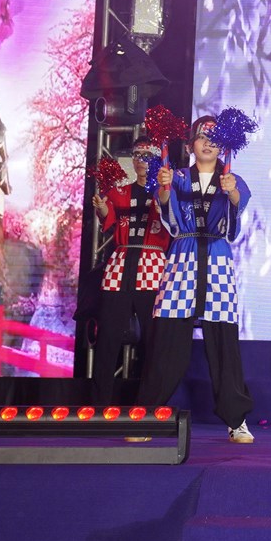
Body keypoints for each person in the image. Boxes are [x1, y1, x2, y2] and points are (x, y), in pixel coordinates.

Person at [137, 115, 257, 444]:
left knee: (224, 341)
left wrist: (232, 194)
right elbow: (168, 215)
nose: (208, 143)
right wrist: (164, 191)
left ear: (224, 146)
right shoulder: (176, 176)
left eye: (215, 138)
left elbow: (235, 217)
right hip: (183, 256)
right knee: (167, 338)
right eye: (202, 137)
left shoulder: (232, 178)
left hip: (217, 257)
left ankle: (236, 420)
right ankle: (146, 414)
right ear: (191, 145)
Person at [89, 138, 171, 407]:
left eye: (147, 156)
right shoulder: (120, 192)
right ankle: (99, 404)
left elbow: (175, 222)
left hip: (153, 264)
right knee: (108, 336)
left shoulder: (166, 192)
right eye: (137, 155)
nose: (141, 161)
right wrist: (102, 208)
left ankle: (149, 403)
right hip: (121, 261)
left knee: (154, 338)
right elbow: (108, 218)